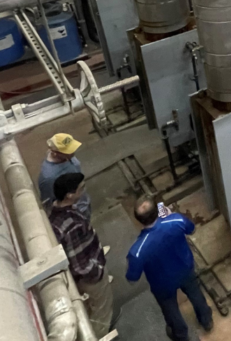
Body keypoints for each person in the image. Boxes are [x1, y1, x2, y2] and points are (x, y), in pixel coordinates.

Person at [126, 196, 213, 340]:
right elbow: (191, 229)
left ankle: (181, 335)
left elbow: (132, 278)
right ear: (157, 210)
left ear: (138, 220)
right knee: (196, 294)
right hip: (185, 270)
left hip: (162, 285)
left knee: (171, 310)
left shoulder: (137, 251)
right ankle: (206, 320)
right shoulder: (176, 221)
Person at [49, 173, 113, 338]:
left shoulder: (58, 213)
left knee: (91, 307)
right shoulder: (71, 225)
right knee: (102, 312)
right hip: (91, 278)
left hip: (82, 275)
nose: (84, 190)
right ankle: (99, 335)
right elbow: (80, 265)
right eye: (81, 188)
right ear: (70, 195)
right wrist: (98, 271)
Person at [39, 133, 91, 217]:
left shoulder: (66, 156)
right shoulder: (48, 178)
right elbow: (49, 204)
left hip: (83, 202)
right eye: (69, 151)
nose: (73, 152)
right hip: (74, 214)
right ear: (55, 153)